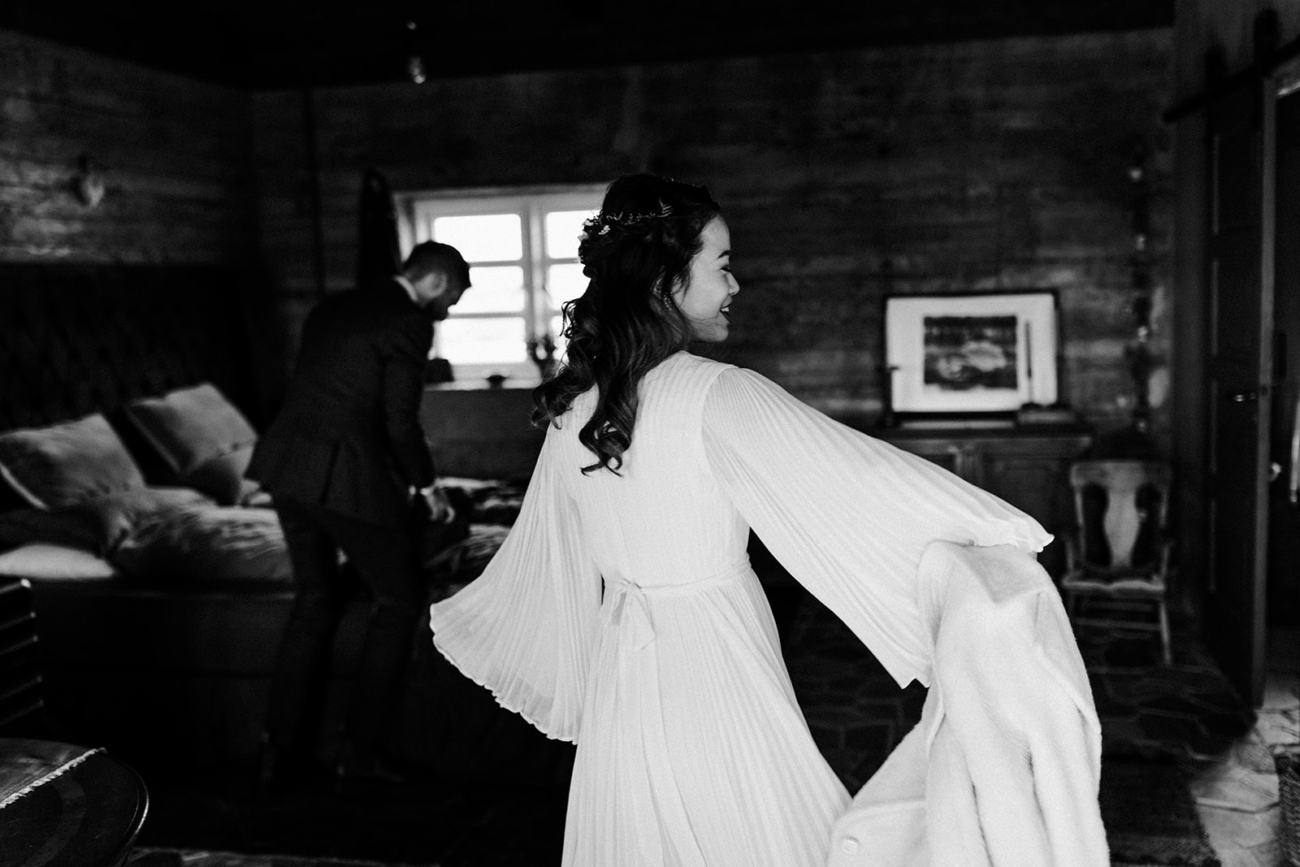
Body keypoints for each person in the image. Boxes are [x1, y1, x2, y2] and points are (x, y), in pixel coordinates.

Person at [428, 175, 1105, 865]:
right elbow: (857, 478)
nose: (735, 284)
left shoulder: (575, 405)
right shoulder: (718, 393)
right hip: (715, 653)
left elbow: (553, 552)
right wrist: (995, 528)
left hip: (621, 669)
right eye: (721, 266)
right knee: (758, 821)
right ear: (667, 280)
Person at [249, 240, 470, 788]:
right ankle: (360, 752)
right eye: (454, 299)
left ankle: (278, 753)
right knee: (401, 598)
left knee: (315, 600)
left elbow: (330, 394)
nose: (449, 311)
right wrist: (427, 486)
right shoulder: (409, 323)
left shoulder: (332, 306)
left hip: (285, 467)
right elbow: (398, 420)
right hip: (344, 477)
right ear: (438, 282)